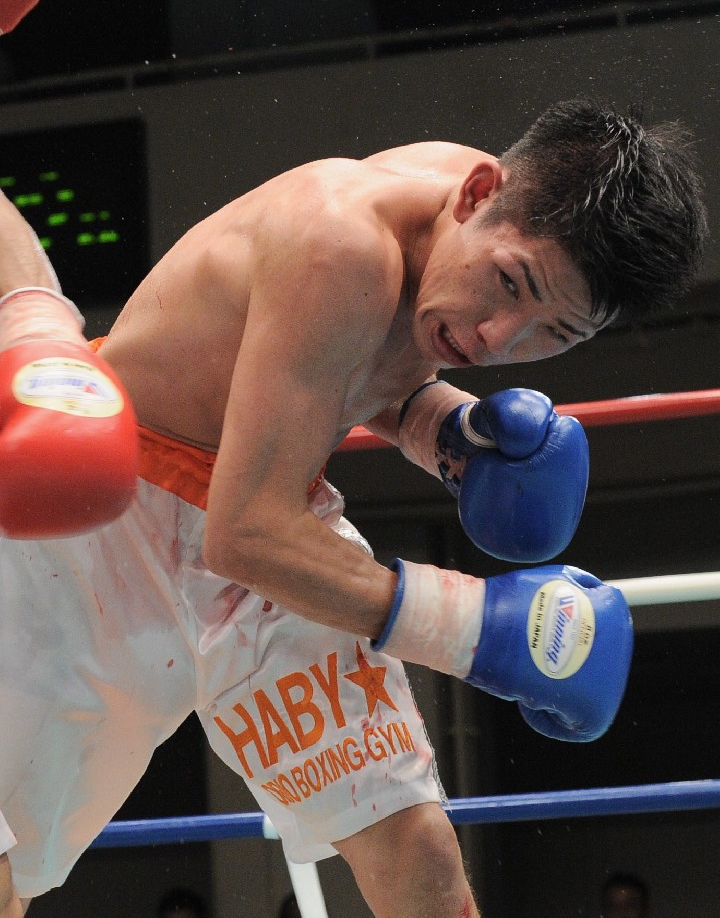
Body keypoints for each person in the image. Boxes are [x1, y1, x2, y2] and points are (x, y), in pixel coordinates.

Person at [0, 99, 706, 918]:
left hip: (270, 508)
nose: (498, 337)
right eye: (511, 285)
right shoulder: (339, 241)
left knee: (416, 851)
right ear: (478, 193)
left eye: (556, 334)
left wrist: (445, 431)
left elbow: (347, 359)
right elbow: (245, 534)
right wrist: (475, 629)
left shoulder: (461, 223)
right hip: (110, 515)